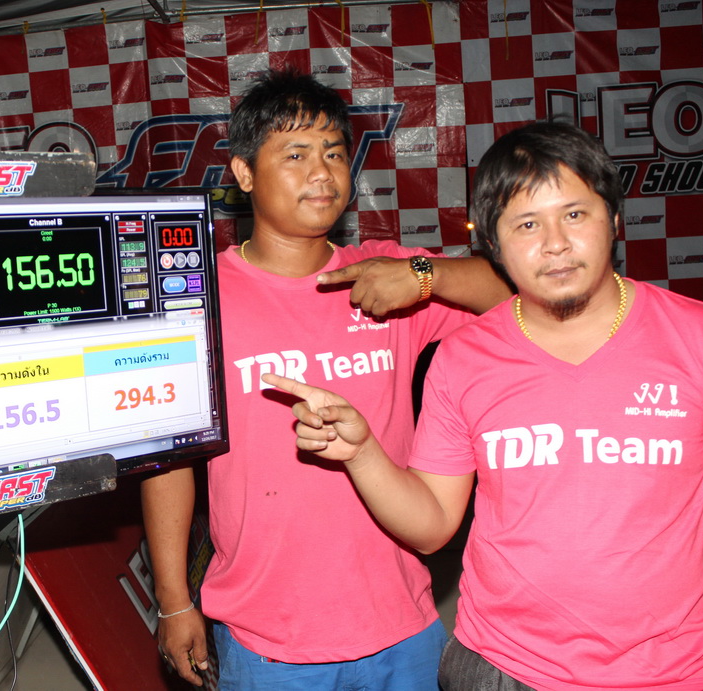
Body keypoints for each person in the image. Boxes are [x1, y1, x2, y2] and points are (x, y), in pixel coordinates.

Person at [267, 120, 703, 690]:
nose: (555, 243)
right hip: (504, 667)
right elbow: (432, 525)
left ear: (615, 219)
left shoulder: (697, 339)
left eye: (575, 214)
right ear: (494, 246)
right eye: (527, 224)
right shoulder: (464, 359)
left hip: (678, 670)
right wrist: (362, 454)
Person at [140, 68, 510, 689]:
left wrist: (425, 276)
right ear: (244, 173)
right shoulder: (197, 299)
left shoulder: (387, 276)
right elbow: (168, 459)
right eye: (296, 154)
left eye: (335, 153)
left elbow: (518, 296)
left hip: (404, 624)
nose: (322, 172)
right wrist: (174, 601)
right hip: (267, 639)